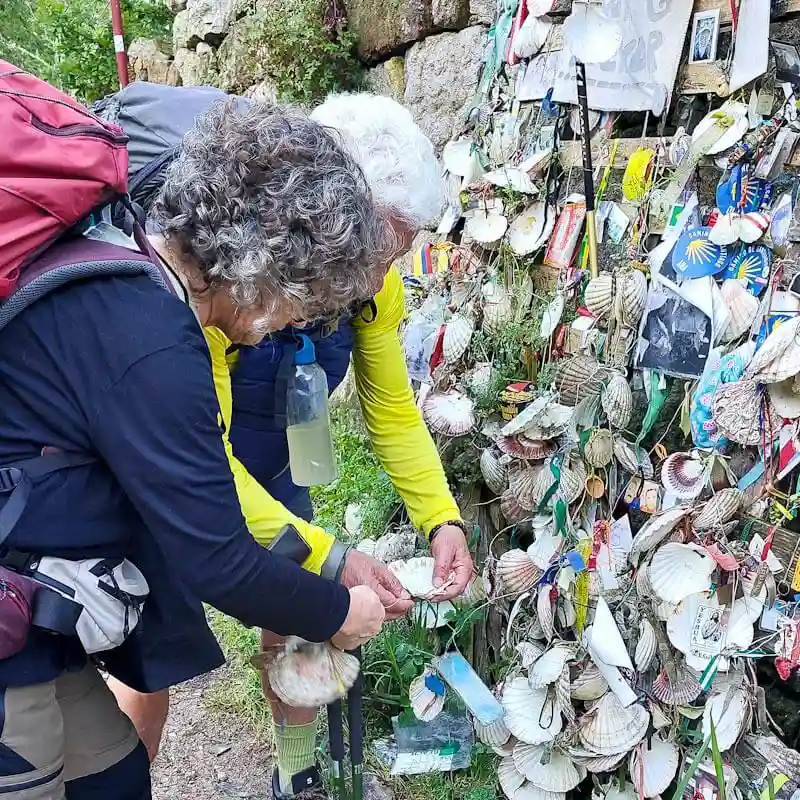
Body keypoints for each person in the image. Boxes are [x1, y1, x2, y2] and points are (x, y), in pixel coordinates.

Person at [0, 98, 388, 799]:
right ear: (267, 268)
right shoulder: (153, 343)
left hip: (35, 609)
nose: (288, 324)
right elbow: (219, 562)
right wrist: (339, 612)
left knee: (117, 776)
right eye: (301, 301)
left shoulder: (127, 269)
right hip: (10, 619)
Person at [106, 93, 476, 798]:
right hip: (176, 464)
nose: (382, 273)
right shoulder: (221, 283)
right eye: (382, 246)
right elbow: (206, 464)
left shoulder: (374, 289)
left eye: (398, 251)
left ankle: (297, 771)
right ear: (323, 217)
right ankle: (123, 781)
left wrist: (441, 519)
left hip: (276, 457)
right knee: (149, 656)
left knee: (301, 617)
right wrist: (332, 556)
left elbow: (392, 408)